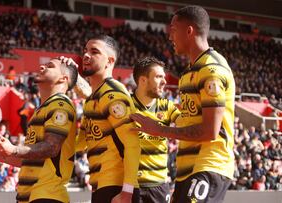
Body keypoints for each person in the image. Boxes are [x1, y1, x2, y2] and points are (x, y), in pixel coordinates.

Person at [130, 6, 235, 203]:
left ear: (189, 31)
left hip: (209, 164)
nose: (169, 36)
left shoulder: (211, 69)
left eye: (173, 29)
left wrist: (159, 130)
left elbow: (210, 131)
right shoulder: (187, 73)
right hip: (187, 168)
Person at [0, 58, 78, 203]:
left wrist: (14, 149)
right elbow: (34, 158)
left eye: (50, 66)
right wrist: (3, 157)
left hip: (47, 195)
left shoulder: (61, 105)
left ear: (63, 79)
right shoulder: (42, 109)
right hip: (29, 196)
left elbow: (51, 148)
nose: (42, 67)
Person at [75, 35, 141, 203]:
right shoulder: (91, 99)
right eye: (85, 51)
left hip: (117, 187)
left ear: (110, 61)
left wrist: (127, 191)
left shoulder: (113, 94)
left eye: (94, 51)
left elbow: (132, 143)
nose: (86, 56)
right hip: (100, 185)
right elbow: (81, 143)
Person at [132, 57, 180, 203]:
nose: (165, 82)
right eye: (159, 77)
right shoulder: (125, 106)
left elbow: (189, 125)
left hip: (159, 186)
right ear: (143, 80)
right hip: (130, 184)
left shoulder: (168, 106)